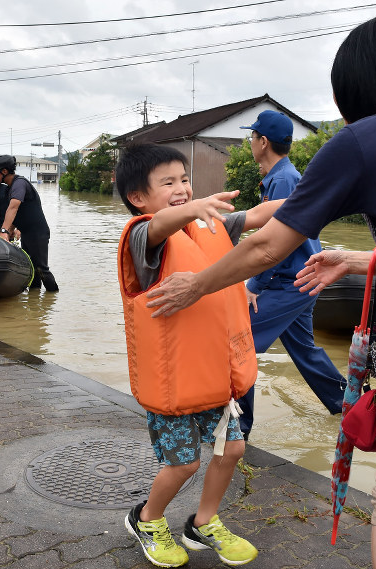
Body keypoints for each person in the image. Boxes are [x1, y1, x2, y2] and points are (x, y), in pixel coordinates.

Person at [144, 15, 376, 569]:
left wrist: (196, 285)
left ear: (356, 85)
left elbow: (268, 246)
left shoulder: (369, 138)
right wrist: (358, 259)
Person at [117, 143, 285, 568]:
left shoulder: (208, 223)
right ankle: (147, 520)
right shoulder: (143, 238)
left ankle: (203, 523)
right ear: (138, 197)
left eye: (185, 179)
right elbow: (161, 225)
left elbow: (261, 215)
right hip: (174, 381)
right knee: (184, 464)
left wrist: (323, 197)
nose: (182, 189)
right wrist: (193, 208)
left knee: (232, 451)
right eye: (168, 183)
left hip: (216, 375)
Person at [236, 110, 345, 440]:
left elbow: (277, 243)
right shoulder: (281, 176)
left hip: (292, 282)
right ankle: (349, 407)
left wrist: (254, 285)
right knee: (306, 351)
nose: (250, 142)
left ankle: (237, 431)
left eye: (252, 136)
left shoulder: (283, 180)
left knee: (238, 344)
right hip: (302, 279)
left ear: (263, 142)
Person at [0, 155, 58, 292]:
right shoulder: (10, 188)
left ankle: (53, 296)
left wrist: (3, 231)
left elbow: (14, 207)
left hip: (38, 233)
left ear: (4, 171)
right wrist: (11, 230)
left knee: (41, 268)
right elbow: (17, 213)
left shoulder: (19, 183)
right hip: (27, 233)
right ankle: (35, 300)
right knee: (31, 269)